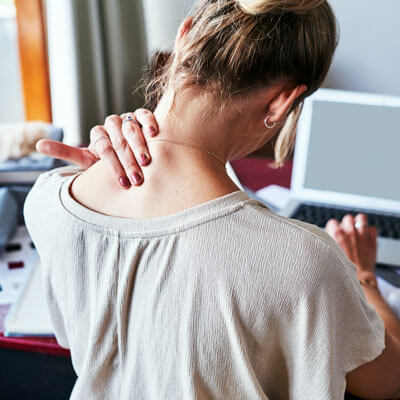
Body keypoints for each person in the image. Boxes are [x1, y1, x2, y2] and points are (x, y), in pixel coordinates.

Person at [23, 0, 400, 399]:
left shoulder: (48, 201)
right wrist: (361, 275)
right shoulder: (308, 263)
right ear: (282, 102)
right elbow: (388, 381)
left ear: (183, 36)